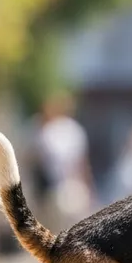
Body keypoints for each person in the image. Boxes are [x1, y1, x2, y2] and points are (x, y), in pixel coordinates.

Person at [29, 93, 96, 233]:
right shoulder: (61, 130)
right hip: (59, 188)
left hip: (63, 188)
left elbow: (81, 163)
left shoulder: (64, 130)